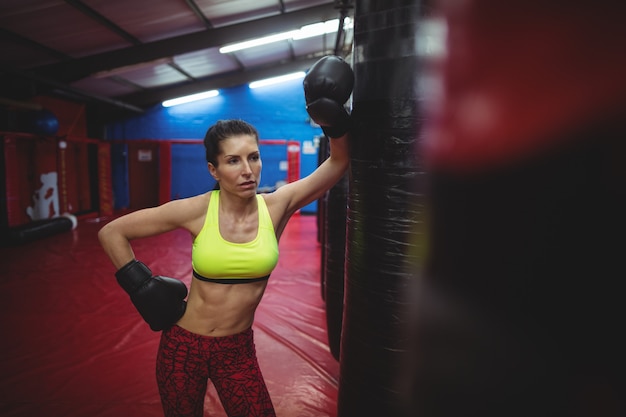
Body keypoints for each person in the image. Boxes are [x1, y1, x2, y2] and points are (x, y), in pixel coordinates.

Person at [97, 55, 354, 417]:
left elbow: (339, 162)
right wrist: (141, 287)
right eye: (233, 161)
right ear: (213, 169)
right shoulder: (197, 209)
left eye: (254, 157)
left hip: (237, 351)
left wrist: (334, 120)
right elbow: (112, 232)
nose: (248, 170)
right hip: (182, 347)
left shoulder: (276, 207)